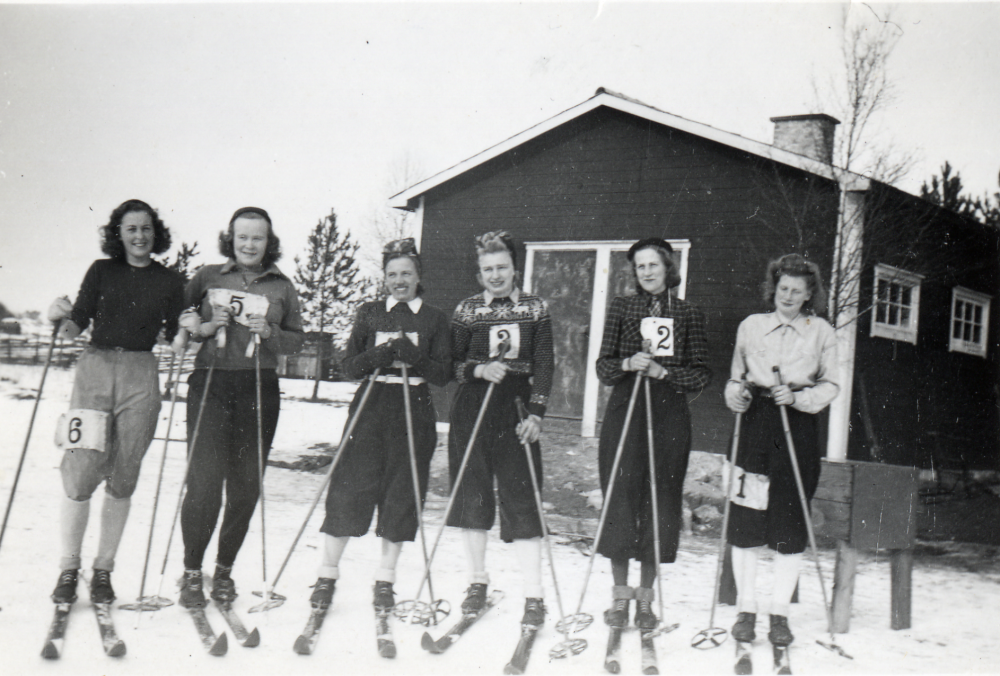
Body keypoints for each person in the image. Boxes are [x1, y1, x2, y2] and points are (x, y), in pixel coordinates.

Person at [47, 199, 185, 605]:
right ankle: (69, 567)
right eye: (131, 229)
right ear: (118, 233)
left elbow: (177, 335)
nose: (139, 236)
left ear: (154, 232)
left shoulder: (168, 279)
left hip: (141, 373)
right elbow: (77, 324)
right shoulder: (101, 270)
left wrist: (186, 331)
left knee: (125, 473)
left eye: (145, 228)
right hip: (96, 368)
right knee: (81, 468)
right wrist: (59, 318)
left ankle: (103, 570)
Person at [309, 238, 451, 613]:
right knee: (350, 487)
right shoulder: (370, 312)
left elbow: (443, 373)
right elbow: (348, 365)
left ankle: (385, 579)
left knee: (402, 491)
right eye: (392, 274)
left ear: (419, 276)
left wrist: (413, 356)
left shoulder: (434, 317)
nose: (399, 281)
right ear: (384, 277)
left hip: (413, 407)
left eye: (406, 273)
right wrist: (381, 354)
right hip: (372, 403)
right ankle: (327, 573)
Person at [176, 207, 304, 608]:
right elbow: (180, 323)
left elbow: (298, 341)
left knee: (245, 486)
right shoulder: (207, 276)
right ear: (230, 238)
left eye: (258, 238)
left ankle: (225, 570)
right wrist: (196, 325)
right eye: (243, 237)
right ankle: (192, 572)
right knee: (204, 482)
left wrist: (271, 332)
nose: (250, 245)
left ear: (270, 242)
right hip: (211, 383)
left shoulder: (282, 286)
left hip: (258, 387)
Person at [594, 237, 711, 630]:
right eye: (640, 266)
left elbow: (701, 374)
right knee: (621, 497)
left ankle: (646, 600)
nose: (646, 272)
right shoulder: (622, 307)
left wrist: (666, 372)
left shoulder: (688, 312)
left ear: (667, 267)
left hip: (668, 413)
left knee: (659, 499)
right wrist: (629, 361)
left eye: (653, 265)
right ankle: (619, 596)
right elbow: (603, 367)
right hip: (626, 408)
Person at [723, 253, 838, 648]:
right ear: (774, 288)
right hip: (754, 424)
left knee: (789, 523)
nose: (788, 295)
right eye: (783, 287)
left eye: (797, 290)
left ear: (810, 295)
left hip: (797, 427)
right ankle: (746, 609)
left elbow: (830, 385)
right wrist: (735, 395)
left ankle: (779, 615)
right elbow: (735, 377)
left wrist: (798, 397)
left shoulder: (821, 331)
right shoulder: (752, 326)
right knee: (747, 522)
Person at [447, 231, 554, 627]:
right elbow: (450, 365)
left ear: (515, 268)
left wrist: (537, 413)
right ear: (479, 273)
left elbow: (545, 363)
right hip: (474, 405)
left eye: (502, 268)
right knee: (472, 495)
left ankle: (534, 593)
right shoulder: (467, 310)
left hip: (516, 406)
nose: (495, 275)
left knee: (522, 497)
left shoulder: (535, 308)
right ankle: (477, 582)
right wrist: (477, 369)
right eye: (488, 269)